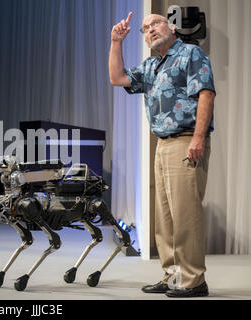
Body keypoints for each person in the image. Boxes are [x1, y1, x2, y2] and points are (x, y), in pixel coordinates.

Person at [109, 12, 216, 298]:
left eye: (155, 23)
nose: (150, 30)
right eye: (145, 29)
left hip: (186, 140)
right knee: (165, 218)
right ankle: (173, 277)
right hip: (163, 144)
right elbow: (117, 78)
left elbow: (206, 94)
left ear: (170, 27)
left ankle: (194, 281)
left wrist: (197, 138)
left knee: (185, 215)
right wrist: (116, 42)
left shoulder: (190, 54)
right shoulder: (152, 65)